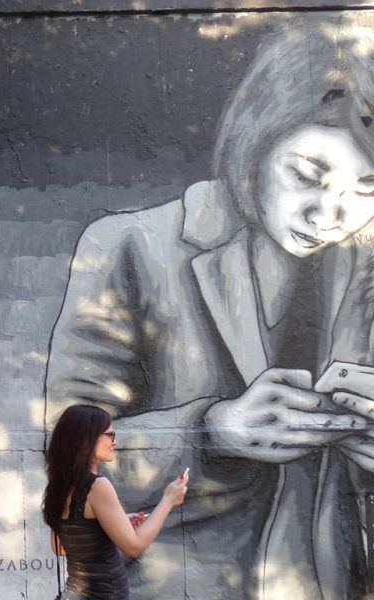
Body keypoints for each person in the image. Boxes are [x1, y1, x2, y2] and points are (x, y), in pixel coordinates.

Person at [44, 21, 374, 600]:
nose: (329, 215)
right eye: (306, 176)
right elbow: (64, 467)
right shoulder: (131, 247)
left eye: (367, 189)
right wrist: (208, 432)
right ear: (256, 142)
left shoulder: (365, 270)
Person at [43, 405, 187, 600]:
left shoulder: (61, 485)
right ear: (88, 438)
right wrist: (168, 500)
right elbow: (134, 547)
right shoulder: (97, 486)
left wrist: (109, 525)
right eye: (110, 435)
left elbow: (60, 546)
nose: (114, 441)